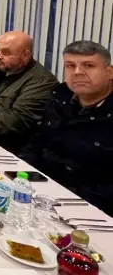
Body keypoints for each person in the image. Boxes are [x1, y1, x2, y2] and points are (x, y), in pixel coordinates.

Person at [20, 41, 113, 216]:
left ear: (109, 72)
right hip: (41, 193)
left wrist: (66, 197)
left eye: (89, 65)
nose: (77, 72)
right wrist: (20, 176)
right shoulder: (59, 97)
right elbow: (35, 142)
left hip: (90, 209)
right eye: (70, 66)